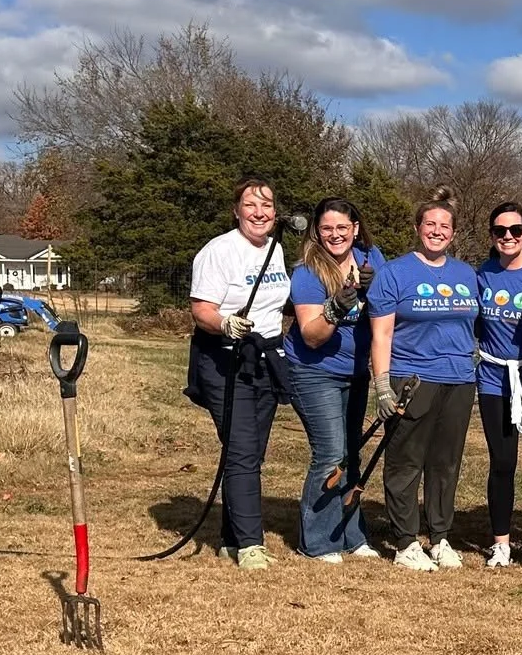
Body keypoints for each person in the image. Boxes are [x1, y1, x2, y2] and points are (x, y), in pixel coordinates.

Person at [368, 188, 480, 573]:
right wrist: (382, 384)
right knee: (406, 460)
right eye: (430, 224)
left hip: (459, 380)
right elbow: (381, 333)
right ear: (418, 228)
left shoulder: (466, 274)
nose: (436, 231)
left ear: (453, 233)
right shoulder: (394, 273)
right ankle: (405, 541)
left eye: (444, 226)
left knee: (445, 462)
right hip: (413, 379)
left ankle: (440, 536)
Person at [187, 178, 295, 570]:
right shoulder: (218, 251)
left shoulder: (276, 249)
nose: (259, 212)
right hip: (224, 359)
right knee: (242, 448)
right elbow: (201, 309)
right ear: (236, 211)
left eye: (267, 205)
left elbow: (277, 302)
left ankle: (232, 538)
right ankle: (251, 544)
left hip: (265, 358)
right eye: (251, 204)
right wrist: (224, 323)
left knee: (251, 451)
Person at [282, 197, 388, 562]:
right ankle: (317, 542)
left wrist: (374, 289)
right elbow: (312, 336)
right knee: (329, 453)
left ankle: (351, 535)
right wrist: (336, 306)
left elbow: (385, 312)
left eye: (342, 227)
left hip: (355, 371)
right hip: (313, 371)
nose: (335, 234)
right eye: (327, 228)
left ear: (355, 229)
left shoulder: (372, 259)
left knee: (351, 454)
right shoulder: (308, 272)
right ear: (317, 231)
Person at [474, 201, 522, 570]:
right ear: (492, 235)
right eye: (500, 231)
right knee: (503, 462)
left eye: (515, 230)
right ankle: (501, 543)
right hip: (494, 379)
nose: (508, 236)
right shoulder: (482, 275)